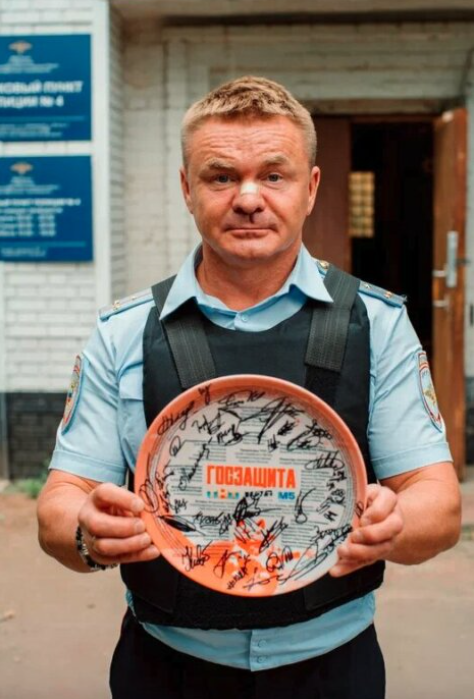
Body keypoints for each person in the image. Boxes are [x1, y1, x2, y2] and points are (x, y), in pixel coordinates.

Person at [37, 76, 461, 699]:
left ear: (311, 187)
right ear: (187, 189)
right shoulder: (124, 333)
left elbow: (438, 503)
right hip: (166, 667)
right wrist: (86, 530)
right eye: (221, 177)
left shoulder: (375, 324)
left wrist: (396, 525)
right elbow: (60, 502)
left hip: (331, 669)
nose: (249, 198)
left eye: (274, 175)